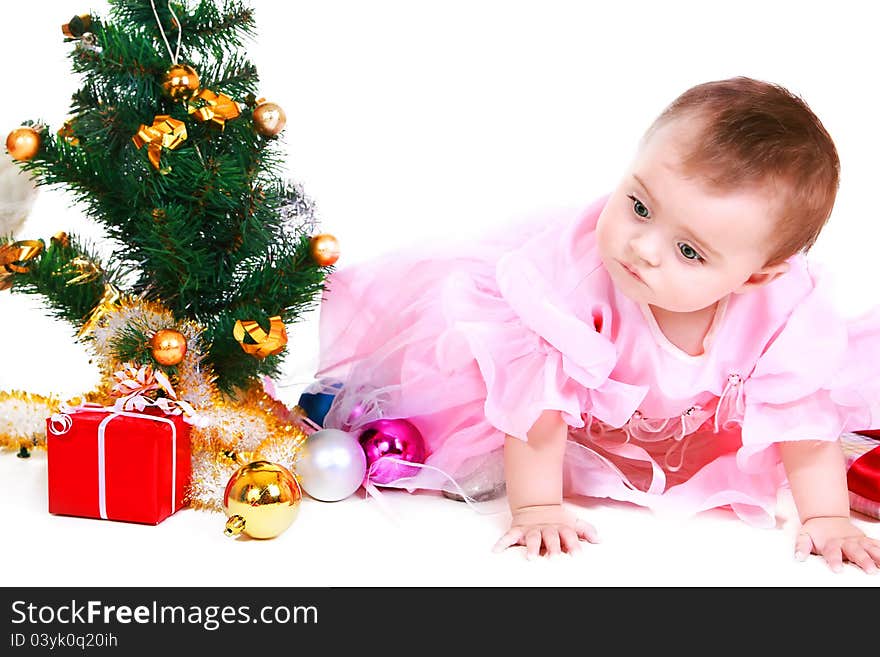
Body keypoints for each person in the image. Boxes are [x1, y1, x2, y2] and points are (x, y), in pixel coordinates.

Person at [314, 76, 880, 572]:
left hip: (685, 417)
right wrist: (536, 506)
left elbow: (803, 422)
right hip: (562, 422)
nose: (642, 249)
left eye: (688, 250)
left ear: (756, 277)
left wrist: (826, 517)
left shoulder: (785, 312)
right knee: (479, 408)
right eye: (639, 205)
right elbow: (535, 405)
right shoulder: (575, 282)